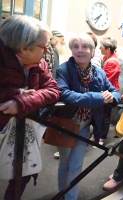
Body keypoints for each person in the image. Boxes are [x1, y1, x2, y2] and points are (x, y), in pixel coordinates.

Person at [0, 15, 60, 200]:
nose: (48, 50)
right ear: (24, 48)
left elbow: (53, 90)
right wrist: (18, 92)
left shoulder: (40, 63)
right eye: (44, 46)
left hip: (25, 128)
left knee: (23, 174)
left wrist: (22, 101)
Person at [55, 33, 120, 199]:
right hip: (66, 124)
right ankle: (62, 193)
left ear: (92, 51)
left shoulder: (99, 72)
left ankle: (71, 197)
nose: (80, 50)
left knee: (76, 165)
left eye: (85, 47)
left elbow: (114, 91)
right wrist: (98, 98)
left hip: (85, 125)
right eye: (75, 47)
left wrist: (113, 97)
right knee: (65, 163)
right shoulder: (64, 70)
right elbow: (65, 94)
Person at [99, 37, 121, 145]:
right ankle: (98, 135)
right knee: (101, 114)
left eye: (101, 46)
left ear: (108, 49)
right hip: (104, 90)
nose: (99, 48)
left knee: (105, 115)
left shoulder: (112, 61)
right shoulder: (105, 58)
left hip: (109, 91)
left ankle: (102, 137)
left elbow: (106, 79)